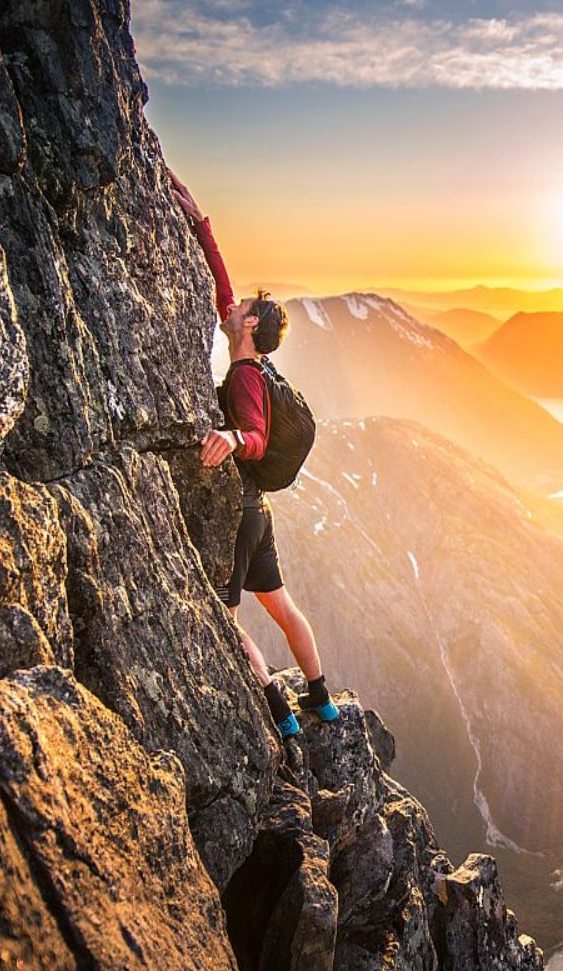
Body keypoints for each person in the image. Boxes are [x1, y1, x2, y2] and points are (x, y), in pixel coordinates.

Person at [169, 168, 338, 737]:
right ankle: (321, 699)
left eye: (243, 305)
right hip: (259, 514)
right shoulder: (260, 363)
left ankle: (277, 707)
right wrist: (199, 223)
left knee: (224, 618)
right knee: (283, 607)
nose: (235, 303)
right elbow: (221, 290)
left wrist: (233, 438)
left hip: (239, 515)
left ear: (247, 326)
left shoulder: (244, 377)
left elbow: (258, 437)